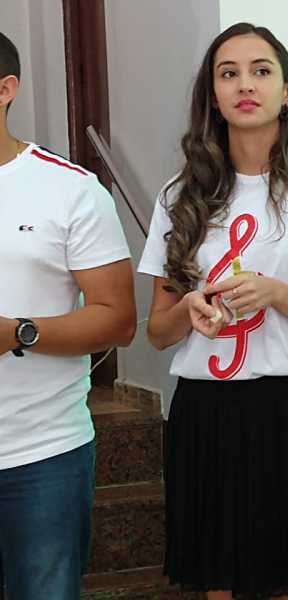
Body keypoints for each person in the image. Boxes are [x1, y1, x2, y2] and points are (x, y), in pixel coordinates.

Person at [138, 22, 288, 600]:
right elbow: (158, 332)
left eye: (260, 71)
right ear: (213, 97)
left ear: (287, 92)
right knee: (219, 583)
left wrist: (279, 295)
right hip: (205, 415)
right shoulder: (179, 195)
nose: (245, 84)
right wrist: (190, 306)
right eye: (229, 73)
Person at [0, 31, 136, 600]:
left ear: (5, 89)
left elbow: (117, 319)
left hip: (40, 453)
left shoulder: (69, 189)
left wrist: (16, 333)